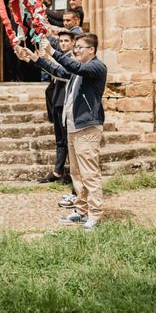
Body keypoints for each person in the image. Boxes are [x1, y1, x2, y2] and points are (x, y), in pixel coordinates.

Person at [18, 34, 107, 231]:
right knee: (76, 173)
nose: (76, 51)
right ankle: (81, 211)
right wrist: (34, 57)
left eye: (80, 47)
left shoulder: (95, 67)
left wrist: (52, 51)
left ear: (92, 50)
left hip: (87, 127)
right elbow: (57, 70)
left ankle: (95, 215)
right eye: (75, 48)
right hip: (73, 127)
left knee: (89, 173)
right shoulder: (77, 71)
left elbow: (76, 67)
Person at [36, 30, 74, 184]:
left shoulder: (73, 59)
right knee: (59, 139)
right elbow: (52, 70)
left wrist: (47, 58)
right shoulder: (61, 57)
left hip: (66, 101)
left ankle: (72, 172)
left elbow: (62, 72)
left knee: (68, 139)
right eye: (61, 41)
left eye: (66, 41)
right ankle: (58, 171)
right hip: (57, 99)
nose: (63, 44)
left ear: (73, 43)